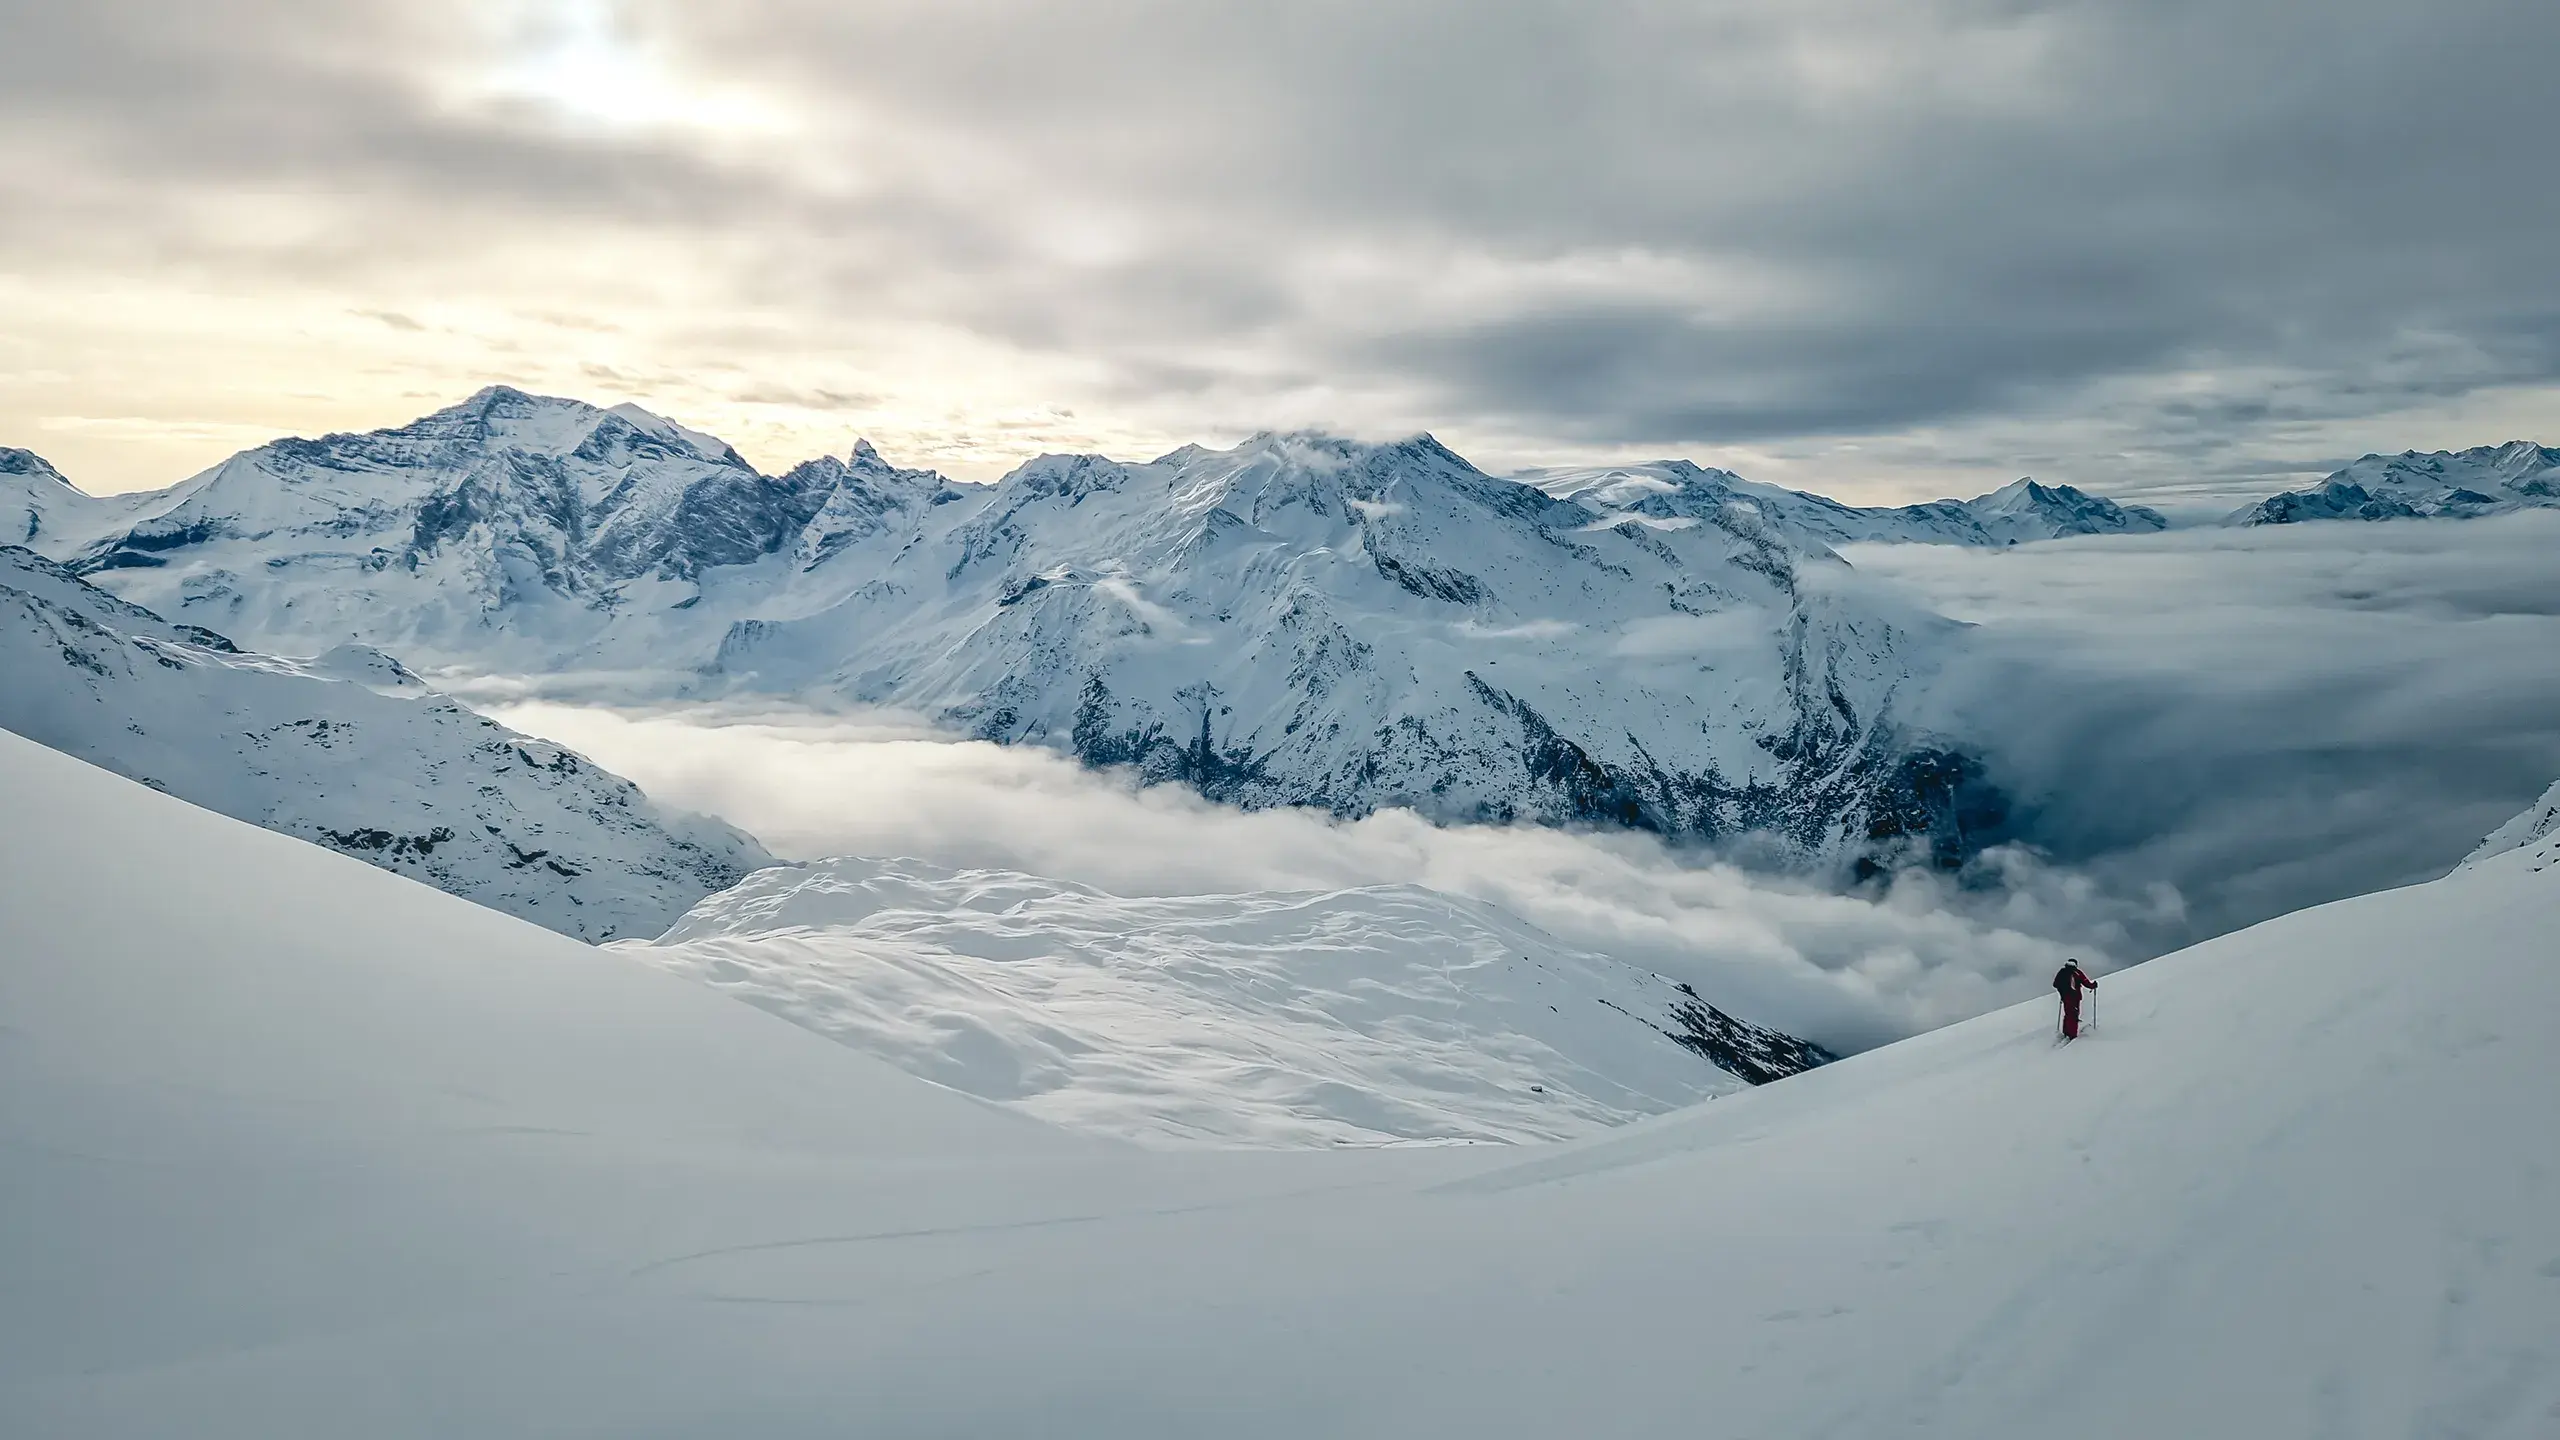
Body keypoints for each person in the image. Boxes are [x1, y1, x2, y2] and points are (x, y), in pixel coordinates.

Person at [2053, 959, 2097, 1039]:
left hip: (2065, 997)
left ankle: (2066, 1032)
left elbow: (2055, 984)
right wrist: (2093, 985)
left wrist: (2062, 992)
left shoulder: (2062, 972)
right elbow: (2085, 982)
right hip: (2075, 997)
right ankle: (2072, 1034)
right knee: (2073, 1015)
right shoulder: (2077, 972)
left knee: (2068, 1014)